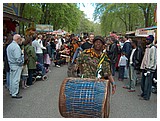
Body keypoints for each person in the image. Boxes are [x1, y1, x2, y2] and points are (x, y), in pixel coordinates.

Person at [139, 35, 157, 100]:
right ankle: (144, 93)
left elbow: (153, 59)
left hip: (149, 68)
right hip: (145, 67)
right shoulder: (147, 48)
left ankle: (146, 96)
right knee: (143, 82)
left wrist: (149, 67)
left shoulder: (153, 48)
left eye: (148, 40)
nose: (146, 41)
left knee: (148, 83)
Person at [7, 34, 24, 98]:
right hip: (16, 65)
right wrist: (21, 62)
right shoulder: (16, 47)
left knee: (12, 79)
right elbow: (18, 58)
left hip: (11, 64)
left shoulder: (10, 46)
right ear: (18, 39)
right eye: (20, 39)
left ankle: (12, 91)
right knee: (16, 80)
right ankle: (14, 93)